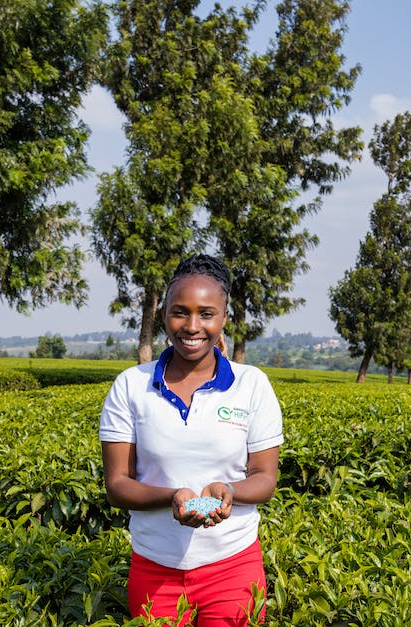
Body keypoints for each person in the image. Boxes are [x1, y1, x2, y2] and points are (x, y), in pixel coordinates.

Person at [99, 254, 283, 626]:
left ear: (224, 318)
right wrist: (172, 497)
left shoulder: (252, 385)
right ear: (163, 314)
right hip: (155, 568)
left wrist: (229, 490)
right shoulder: (131, 386)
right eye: (180, 312)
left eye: (206, 313)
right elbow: (117, 485)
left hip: (233, 567)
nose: (192, 325)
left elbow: (265, 478)